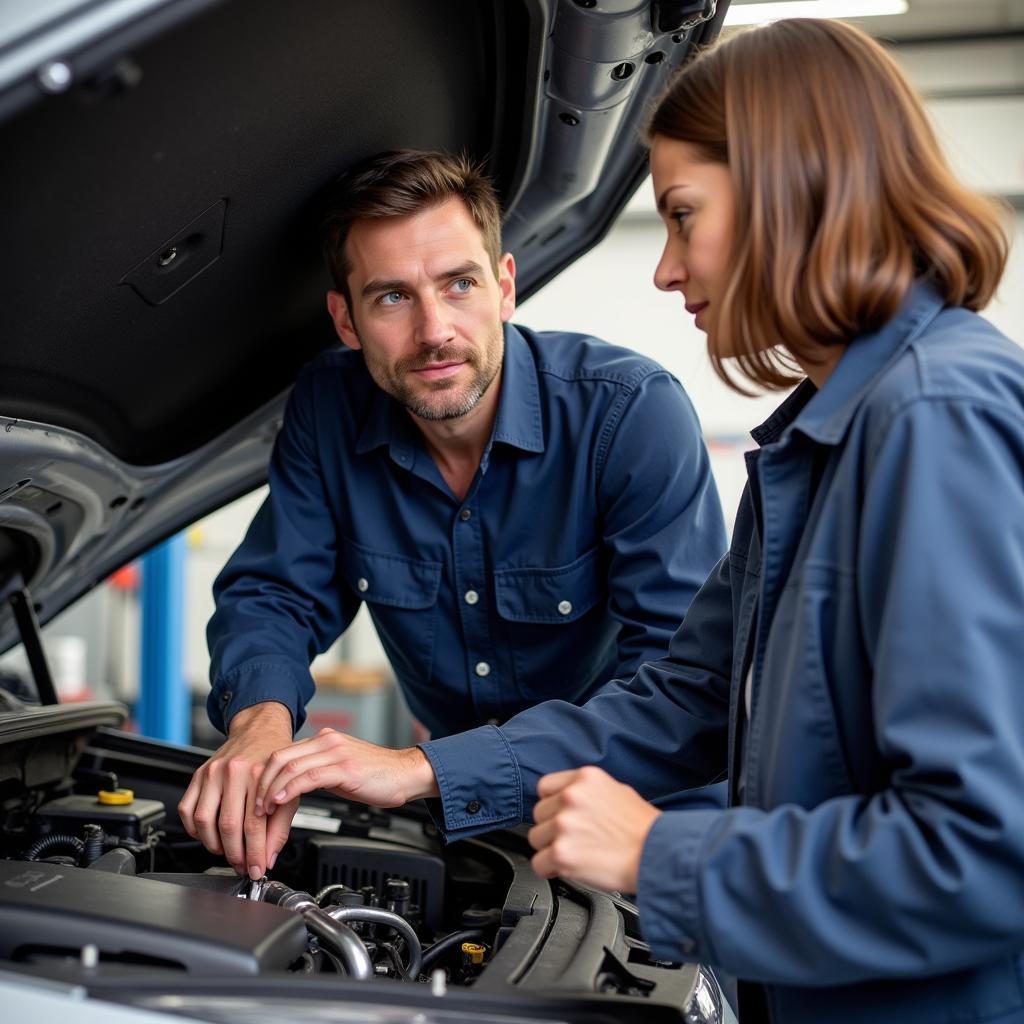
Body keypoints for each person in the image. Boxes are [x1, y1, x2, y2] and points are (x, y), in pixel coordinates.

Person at [249, 19, 1024, 1023]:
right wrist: (422, 769)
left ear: (793, 194)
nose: (663, 270)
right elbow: (681, 698)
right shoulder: (826, 441)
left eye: (681, 215)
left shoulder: (935, 419)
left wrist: (665, 854)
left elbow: (986, 849)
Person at [178, 150, 727, 880]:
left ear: (504, 286)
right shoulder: (329, 409)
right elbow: (277, 591)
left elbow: (682, 693)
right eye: (392, 298)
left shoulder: (628, 415)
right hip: (474, 825)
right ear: (346, 319)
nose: (434, 330)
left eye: (459, 284)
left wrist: (423, 767)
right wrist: (258, 723)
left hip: (648, 823)